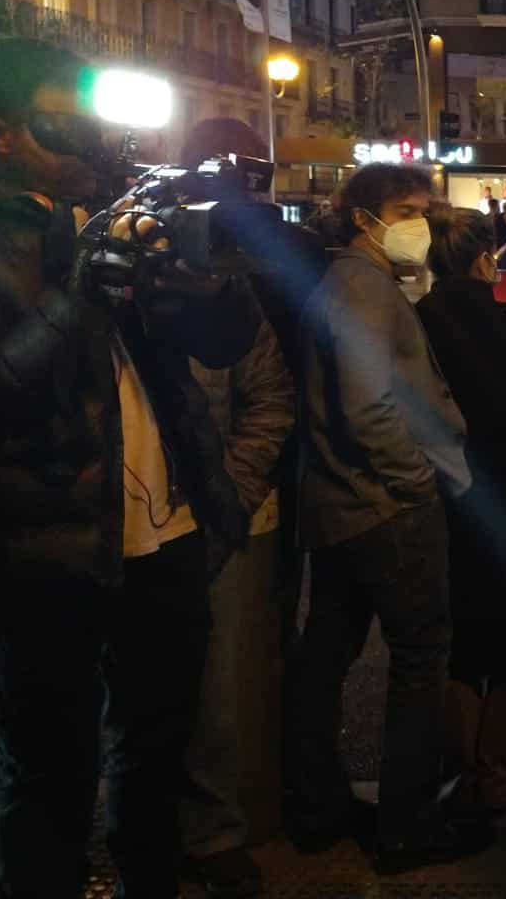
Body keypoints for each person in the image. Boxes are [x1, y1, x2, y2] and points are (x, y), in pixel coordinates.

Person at [0, 40, 251, 899]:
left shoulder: (112, 213)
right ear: (2, 135)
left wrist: (202, 281)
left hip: (163, 532)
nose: (85, 145)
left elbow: (222, 345)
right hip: (43, 549)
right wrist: (81, 290)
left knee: (156, 748)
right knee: (46, 768)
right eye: (59, 125)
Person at [284, 163, 482, 875]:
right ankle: (407, 826)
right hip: (385, 506)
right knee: (420, 658)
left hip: (343, 503)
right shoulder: (362, 288)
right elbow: (367, 406)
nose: (418, 225)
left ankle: (314, 807)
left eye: (423, 210)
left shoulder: (353, 283)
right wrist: (414, 484)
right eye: (405, 209)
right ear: (363, 216)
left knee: (327, 651)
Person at [177, 115, 297, 899]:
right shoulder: (135, 256)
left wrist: (230, 494)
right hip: (137, 526)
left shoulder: (239, 276)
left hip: (238, 518)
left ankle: (231, 825)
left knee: (234, 687)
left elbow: (269, 397)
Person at [416, 208, 506, 815]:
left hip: (442, 495)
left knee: (454, 635)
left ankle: (456, 772)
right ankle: (505, 770)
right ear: (484, 257)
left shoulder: (415, 320)